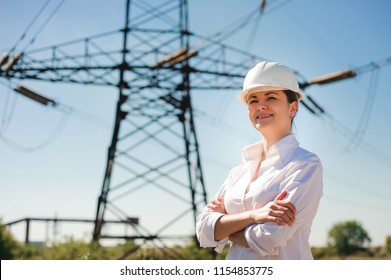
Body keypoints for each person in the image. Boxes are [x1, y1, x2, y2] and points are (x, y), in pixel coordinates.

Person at [196, 61, 323, 260]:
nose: (260, 105)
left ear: (293, 108)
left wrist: (223, 227)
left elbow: (269, 238)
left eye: (271, 97)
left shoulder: (304, 164)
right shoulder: (239, 171)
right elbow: (203, 231)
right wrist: (255, 216)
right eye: (253, 100)